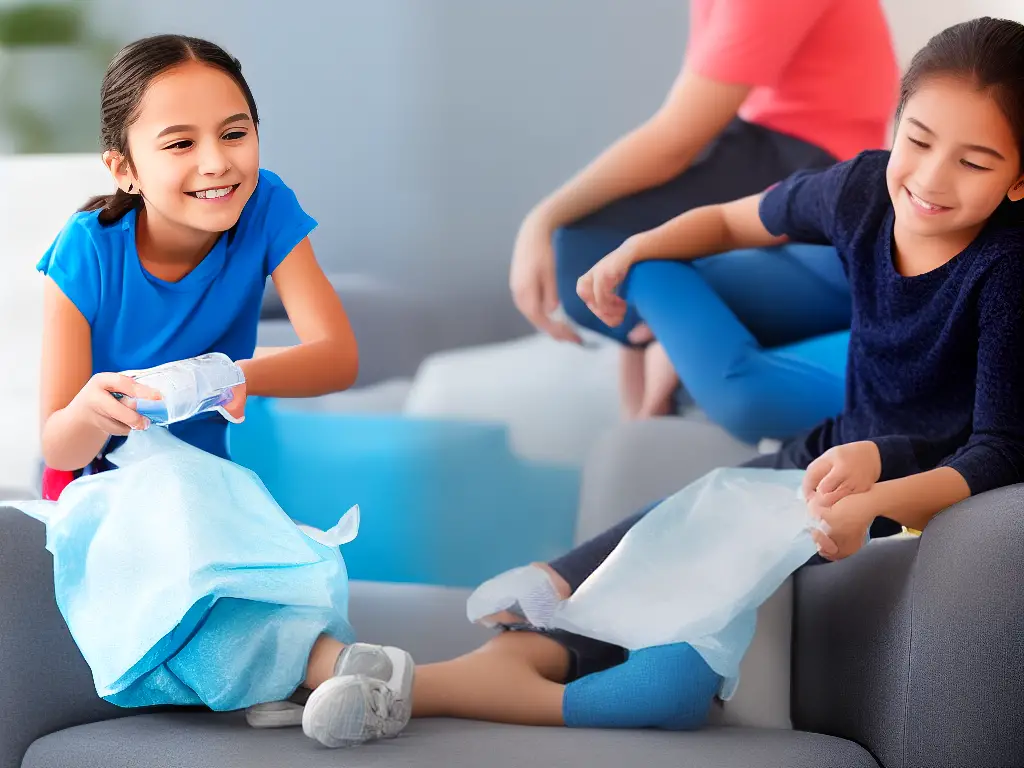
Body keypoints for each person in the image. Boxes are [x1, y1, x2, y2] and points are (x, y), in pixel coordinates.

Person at [303, 17, 1024, 745]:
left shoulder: (1006, 271)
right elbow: (729, 224)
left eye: (975, 161)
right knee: (679, 517)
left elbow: (996, 451)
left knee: (672, 663)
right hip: (835, 454)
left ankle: (434, 681)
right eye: (920, 140)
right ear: (895, 123)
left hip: (902, 481)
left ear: (1020, 178)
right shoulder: (865, 189)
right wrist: (635, 250)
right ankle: (448, 664)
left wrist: (879, 496)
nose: (930, 179)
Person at [36, 34, 413, 749]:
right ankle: (325, 668)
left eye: (235, 133)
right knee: (183, 537)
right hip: (96, 482)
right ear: (125, 168)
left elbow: (337, 357)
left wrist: (233, 373)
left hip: (206, 483)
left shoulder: (266, 207)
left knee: (223, 536)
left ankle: (289, 679)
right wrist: (90, 409)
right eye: (179, 143)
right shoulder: (86, 251)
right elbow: (55, 439)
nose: (217, 162)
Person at [510, 0, 898, 422]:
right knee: (599, 239)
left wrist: (543, 219)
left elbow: (676, 140)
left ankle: (664, 356)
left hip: (811, 163)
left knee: (579, 241)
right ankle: (652, 374)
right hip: (767, 142)